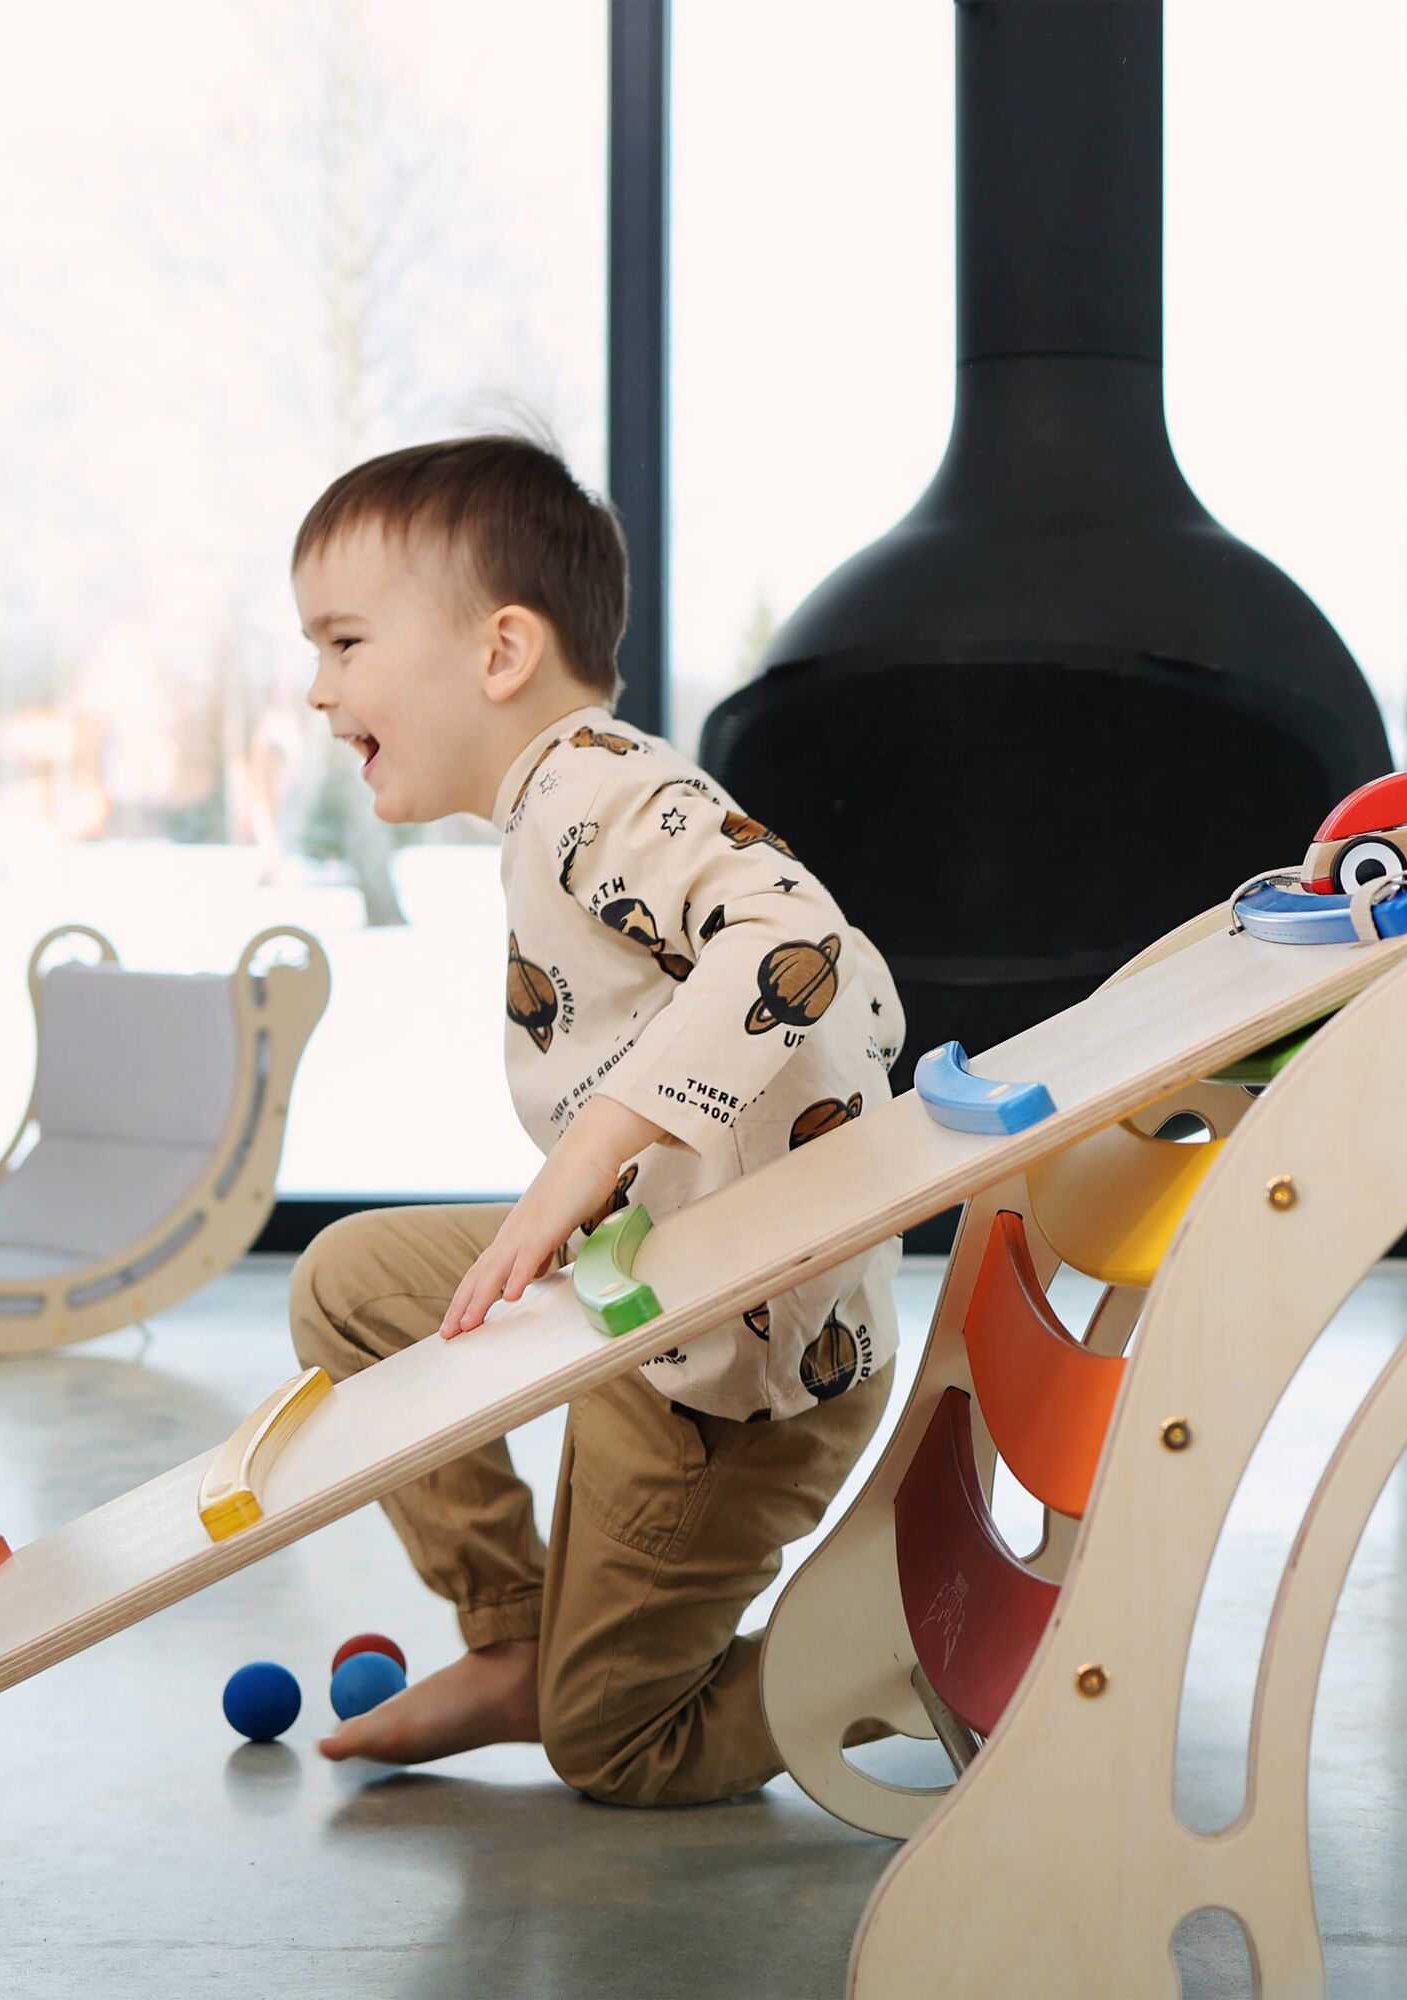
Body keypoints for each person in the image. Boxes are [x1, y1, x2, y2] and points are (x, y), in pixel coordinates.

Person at [287, 434, 902, 1805]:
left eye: (342, 644)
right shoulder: (558, 799)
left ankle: (900, 1655)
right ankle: (514, 1642)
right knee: (351, 1288)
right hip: (644, 1283)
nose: (319, 691)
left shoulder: (601, 791)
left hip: (731, 1380)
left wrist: (586, 1157)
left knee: (616, 1745)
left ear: (500, 652)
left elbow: (794, 934)